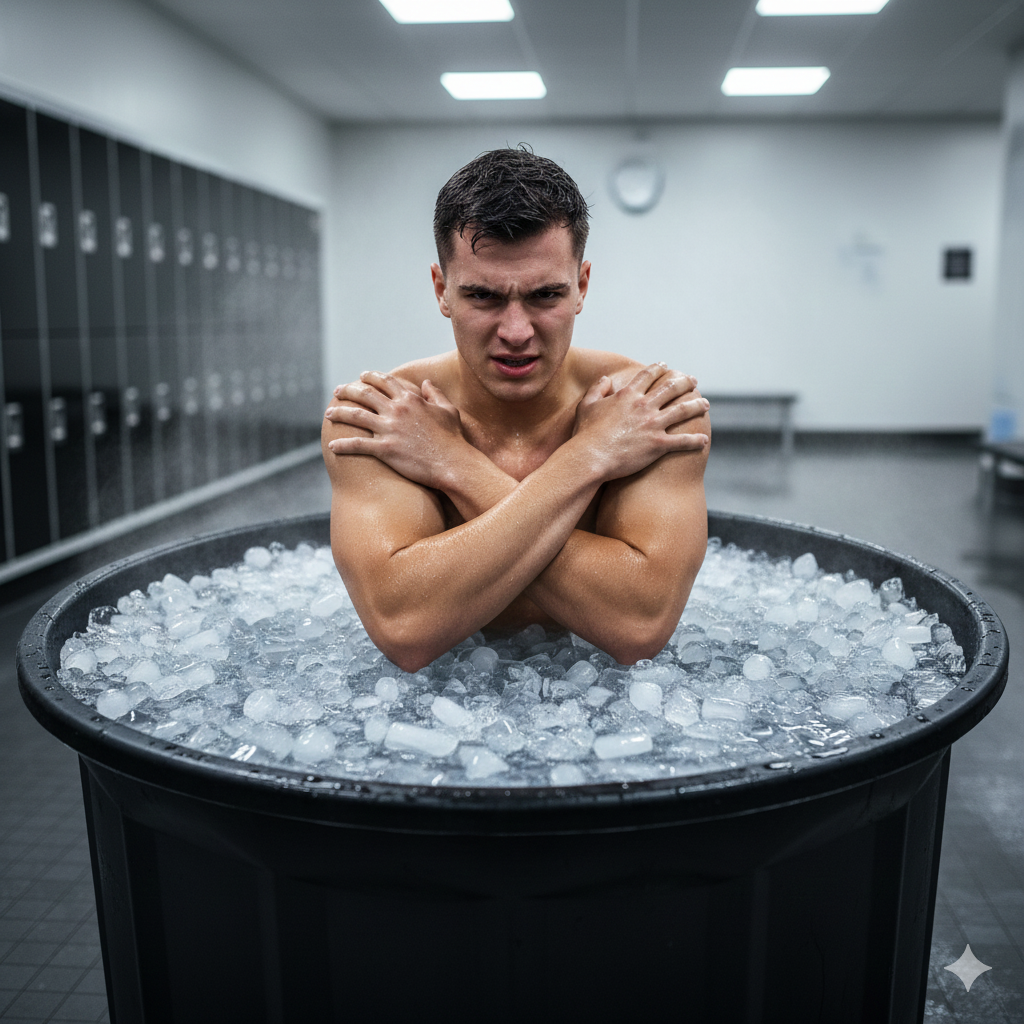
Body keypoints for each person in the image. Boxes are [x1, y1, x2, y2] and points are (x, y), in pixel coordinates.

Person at [322, 146, 710, 672]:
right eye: (482, 297)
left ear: (582, 285)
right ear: (441, 289)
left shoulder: (650, 409)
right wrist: (592, 456)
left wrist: (452, 465)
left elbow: (639, 626)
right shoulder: (381, 417)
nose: (516, 333)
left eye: (545, 295)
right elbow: (405, 628)